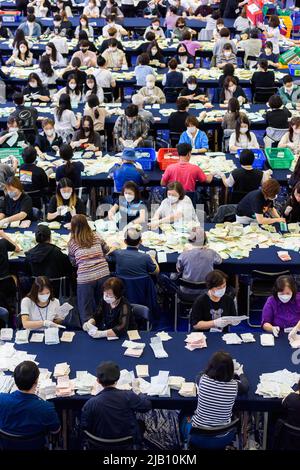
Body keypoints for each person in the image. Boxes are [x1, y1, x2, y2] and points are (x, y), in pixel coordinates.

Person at [81, 361, 151, 444]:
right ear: (118, 378)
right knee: (141, 424)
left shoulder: (90, 403)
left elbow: (85, 426)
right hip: (127, 442)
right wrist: (137, 391)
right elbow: (146, 406)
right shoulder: (128, 396)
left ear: (98, 381)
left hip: (99, 444)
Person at [0, 361, 60, 448]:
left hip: (7, 446)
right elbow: (55, 431)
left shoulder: (1, 399)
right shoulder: (46, 408)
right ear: (36, 381)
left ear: (15, 380)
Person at [191, 352, 248, 436]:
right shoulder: (234, 386)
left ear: (211, 366)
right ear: (231, 370)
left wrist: (211, 368)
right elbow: (245, 387)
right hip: (223, 435)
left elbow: (201, 374)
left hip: (197, 434)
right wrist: (240, 374)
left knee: (183, 414)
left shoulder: (202, 380)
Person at [68, 214, 110, 323]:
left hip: (86, 277)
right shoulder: (96, 236)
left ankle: (88, 330)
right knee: (105, 303)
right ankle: (104, 324)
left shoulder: (72, 242)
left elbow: (73, 262)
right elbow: (106, 249)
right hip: (103, 274)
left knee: (85, 309)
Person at [176, 228, 222, 296]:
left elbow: (179, 269)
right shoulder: (211, 253)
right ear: (205, 241)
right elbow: (219, 261)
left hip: (186, 291)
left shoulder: (184, 255)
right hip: (206, 291)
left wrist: (185, 252)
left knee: (173, 276)